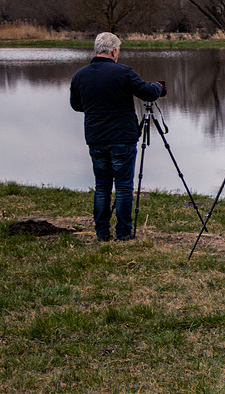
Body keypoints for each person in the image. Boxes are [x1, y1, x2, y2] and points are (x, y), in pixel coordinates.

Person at [69, 33, 165, 241]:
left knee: (102, 185)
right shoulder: (123, 72)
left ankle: (102, 233)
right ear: (113, 51)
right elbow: (147, 92)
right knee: (123, 186)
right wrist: (159, 86)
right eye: (118, 51)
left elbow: (76, 105)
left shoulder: (80, 75)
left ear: (96, 50)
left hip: (95, 138)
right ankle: (123, 233)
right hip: (122, 137)